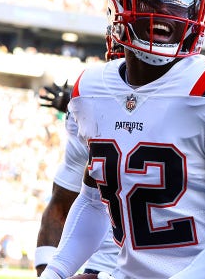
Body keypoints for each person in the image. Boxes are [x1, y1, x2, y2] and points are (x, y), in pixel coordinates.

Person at [39, 0, 205, 278]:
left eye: (181, 5)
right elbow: (93, 201)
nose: (166, 15)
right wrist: (57, 271)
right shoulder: (91, 88)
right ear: (119, 4)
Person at [36, 77, 120, 277]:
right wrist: (50, 273)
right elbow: (62, 207)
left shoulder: (199, 101)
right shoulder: (90, 107)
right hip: (105, 267)